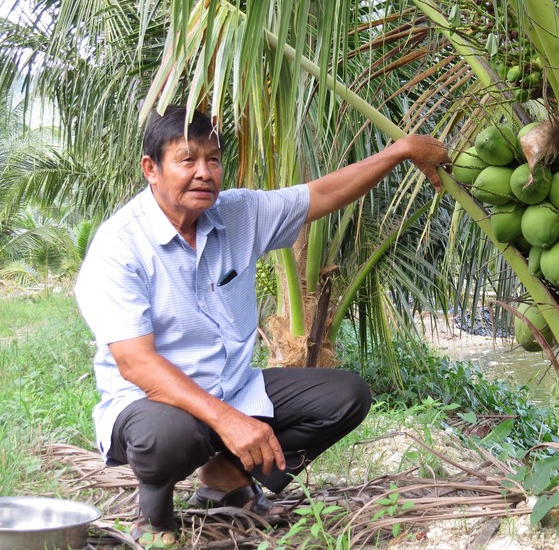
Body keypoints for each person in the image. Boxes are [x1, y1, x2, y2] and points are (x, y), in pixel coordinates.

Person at [74, 105, 450, 543]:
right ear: (151, 169)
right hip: (152, 405)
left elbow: (321, 194)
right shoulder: (119, 248)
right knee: (168, 434)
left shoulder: (237, 214)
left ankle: (225, 481)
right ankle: (154, 519)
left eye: (213, 159)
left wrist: (400, 151)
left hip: (233, 389)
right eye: (187, 159)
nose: (204, 172)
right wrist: (228, 421)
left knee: (346, 396)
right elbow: (138, 365)